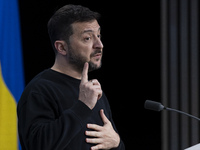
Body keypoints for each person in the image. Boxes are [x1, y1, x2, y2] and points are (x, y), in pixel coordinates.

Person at [17, 4, 125, 150]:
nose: (100, 45)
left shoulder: (93, 91)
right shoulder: (39, 90)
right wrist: (83, 106)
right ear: (61, 47)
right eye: (87, 38)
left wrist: (116, 142)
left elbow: (110, 143)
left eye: (98, 36)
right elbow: (38, 144)